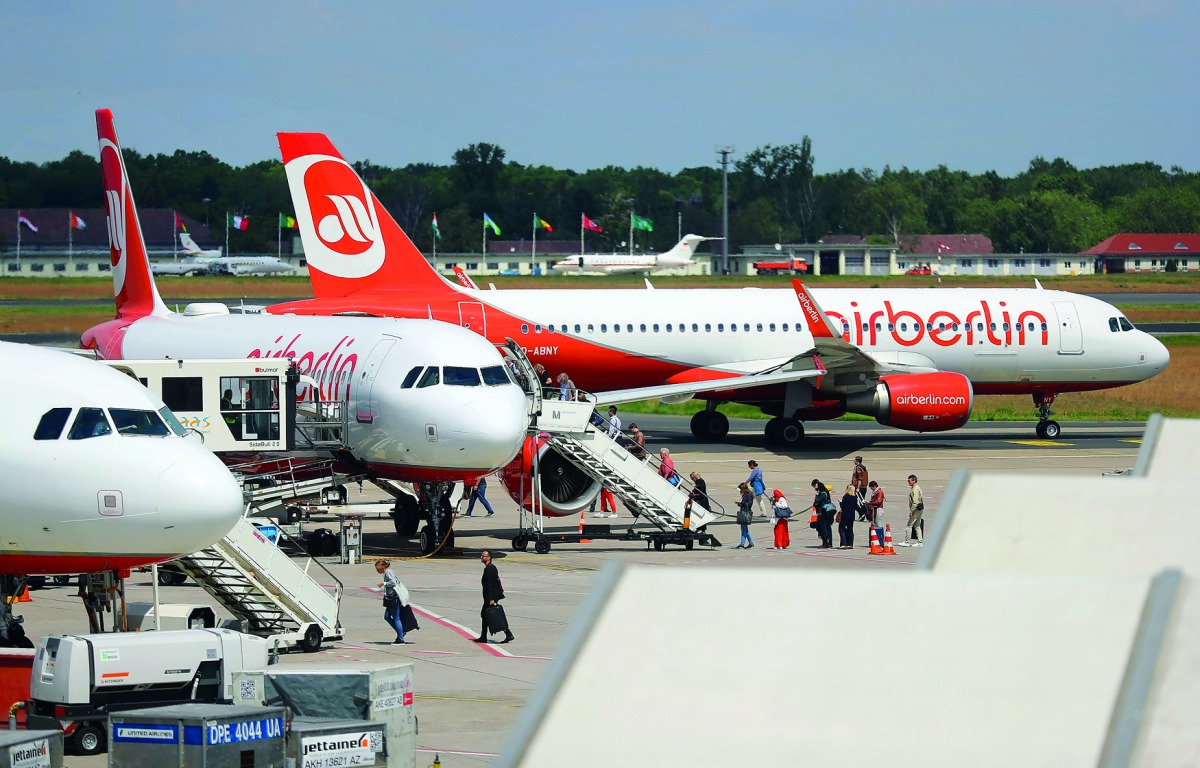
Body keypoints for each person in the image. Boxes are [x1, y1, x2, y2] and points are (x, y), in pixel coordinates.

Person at [473, 550, 514, 644]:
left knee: (489, 615)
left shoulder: (489, 569)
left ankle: (507, 633)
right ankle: (505, 633)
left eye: (483, 556)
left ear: (489, 557)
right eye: (481, 555)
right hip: (491, 596)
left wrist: (491, 599)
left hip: (491, 597)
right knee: (486, 615)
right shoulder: (491, 567)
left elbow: (490, 584)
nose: (481, 557)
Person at [374, 560, 409, 644]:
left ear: (382, 567)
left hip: (393, 597)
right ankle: (400, 632)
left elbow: (393, 582)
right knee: (387, 616)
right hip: (390, 597)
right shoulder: (389, 572)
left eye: (377, 569)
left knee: (396, 618)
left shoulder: (388, 572)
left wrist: (384, 583)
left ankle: (400, 638)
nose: (377, 571)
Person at [900, 474, 925, 547]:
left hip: (916, 509)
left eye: (909, 481)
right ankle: (920, 542)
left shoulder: (915, 489)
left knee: (909, 525)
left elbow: (915, 501)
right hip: (919, 508)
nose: (908, 482)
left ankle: (907, 541)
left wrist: (911, 511)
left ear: (914, 480)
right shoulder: (915, 487)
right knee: (917, 525)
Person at [811, 479, 834, 548]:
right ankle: (828, 542)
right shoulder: (826, 492)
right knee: (827, 527)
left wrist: (817, 495)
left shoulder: (823, 494)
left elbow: (817, 501)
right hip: (825, 512)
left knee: (822, 527)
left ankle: (825, 542)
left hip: (823, 512)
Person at [735, 482, 755, 549]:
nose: (740, 491)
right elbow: (744, 504)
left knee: (744, 529)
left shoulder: (749, 495)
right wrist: (739, 504)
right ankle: (751, 542)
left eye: (741, 489)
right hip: (743, 511)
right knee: (745, 529)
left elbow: (749, 504)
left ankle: (742, 544)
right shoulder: (744, 494)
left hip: (746, 513)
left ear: (743, 489)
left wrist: (742, 502)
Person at [838, 484, 857, 549]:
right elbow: (855, 506)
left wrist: (840, 503)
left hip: (845, 515)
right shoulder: (855, 497)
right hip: (852, 515)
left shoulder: (845, 497)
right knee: (850, 529)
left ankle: (843, 543)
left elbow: (843, 506)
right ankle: (850, 544)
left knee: (841, 529)